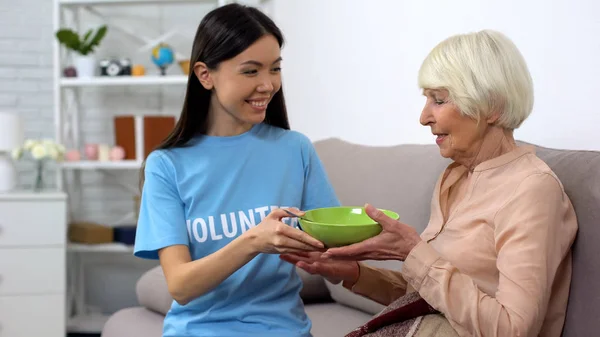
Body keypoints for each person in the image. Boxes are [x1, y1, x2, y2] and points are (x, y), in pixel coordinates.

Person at [281, 29, 578, 337]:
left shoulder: (531, 189)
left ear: (493, 106)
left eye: (438, 100)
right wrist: (354, 274)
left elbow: (512, 329)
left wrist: (413, 253)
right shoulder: (454, 178)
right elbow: (431, 302)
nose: (424, 117)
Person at [133, 4, 339, 337]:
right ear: (205, 75)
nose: (268, 85)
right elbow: (181, 285)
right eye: (250, 71)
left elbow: (330, 243)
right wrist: (252, 242)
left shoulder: (295, 149)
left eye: (274, 69)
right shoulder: (167, 165)